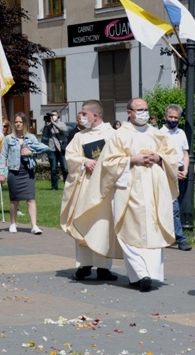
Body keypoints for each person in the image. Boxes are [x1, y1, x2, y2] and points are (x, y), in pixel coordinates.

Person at [73, 97, 179, 292]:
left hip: (154, 189)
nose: (144, 113)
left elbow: (172, 156)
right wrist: (132, 159)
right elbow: (108, 162)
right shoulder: (119, 135)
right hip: (128, 188)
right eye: (139, 109)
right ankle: (141, 273)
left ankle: (147, 275)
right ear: (129, 112)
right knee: (129, 230)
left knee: (153, 231)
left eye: (146, 109)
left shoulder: (157, 134)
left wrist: (159, 157)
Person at [60, 100, 117, 281]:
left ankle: (103, 268)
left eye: (84, 114)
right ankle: (84, 265)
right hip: (84, 185)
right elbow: (70, 156)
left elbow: (119, 158)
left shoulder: (113, 135)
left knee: (102, 225)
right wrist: (84, 161)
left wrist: (100, 164)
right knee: (82, 221)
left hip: (103, 188)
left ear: (95, 115)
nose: (82, 117)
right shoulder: (80, 136)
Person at [0, 112, 48, 234]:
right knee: (14, 199)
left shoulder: (31, 138)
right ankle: (13, 223)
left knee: (31, 198)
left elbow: (44, 148)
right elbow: (3, 156)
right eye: (16, 122)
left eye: (20, 122)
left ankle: (34, 225)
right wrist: (1, 173)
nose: (18, 124)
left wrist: (31, 152)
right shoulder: (9, 139)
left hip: (27, 171)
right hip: (14, 171)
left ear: (25, 123)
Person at [159, 104, 192, 251]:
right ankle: (181, 239)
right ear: (166, 117)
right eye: (171, 117)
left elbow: (185, 153)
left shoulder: (181, 133)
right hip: (167, 173)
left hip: (181, 173)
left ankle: (167, 236)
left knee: (175, 205)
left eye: (176, 117)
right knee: (174, 209)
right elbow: (160, 157)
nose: (173, 119)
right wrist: (173, 171)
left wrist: (185, 169)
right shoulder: (159, 133)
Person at [42, 110, 68, 190]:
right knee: (53, 169)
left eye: (54, 115)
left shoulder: (61, 124)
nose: (52, 116)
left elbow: (64, 130)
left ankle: (67, 186)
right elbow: (44, 136)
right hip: (52, 149)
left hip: (61, 149)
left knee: (65, 168)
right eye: (51, 115)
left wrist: (54, 123)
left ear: (58, 116)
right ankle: (54, 187)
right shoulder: (48, 126)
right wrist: (46, 124)